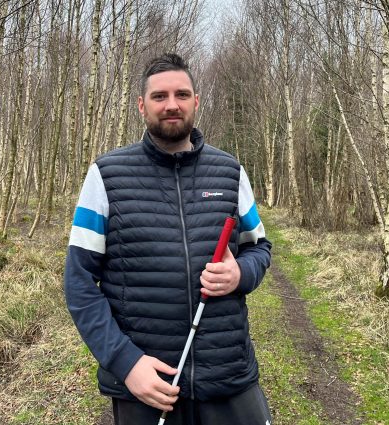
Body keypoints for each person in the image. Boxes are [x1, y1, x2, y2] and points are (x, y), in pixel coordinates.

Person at [64, 53, 273, 425]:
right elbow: (79, 282)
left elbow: (260, 247)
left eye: (181, 94)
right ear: (142, 106)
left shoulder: (230, 172)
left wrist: (240, 273)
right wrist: (126, 364)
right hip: (147, 386)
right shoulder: (106, 175)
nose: (172, 104)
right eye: (160, 96)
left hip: (228, 376)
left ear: (196, 101)